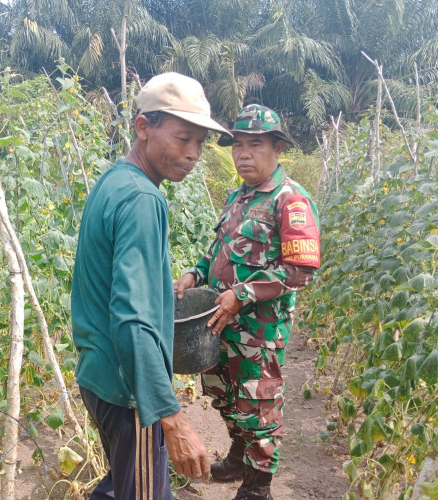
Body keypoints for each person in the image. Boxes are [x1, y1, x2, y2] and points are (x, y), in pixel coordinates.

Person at [71, 72, 231, 499]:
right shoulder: (143, 198)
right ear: (143, 127)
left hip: (101, 374)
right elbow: (133, 319)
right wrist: (170, 417)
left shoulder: (114, 181)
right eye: (183, 138)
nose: (194, 153)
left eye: (200, 142)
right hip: (130, 393)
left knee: (124, 486)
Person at [173, 104, 321, 500]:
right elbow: (220, 251)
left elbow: (300, 271)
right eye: (237, 145)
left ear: (277, 148)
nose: (242, 154)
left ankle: (258, 488)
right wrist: (195, 273)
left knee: (258, 406)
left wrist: (242, 295)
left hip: (258, 329)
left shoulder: (290, 201)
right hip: (219, 323)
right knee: (224, 395)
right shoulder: (238, 197)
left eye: (254, 145)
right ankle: (239, 457)